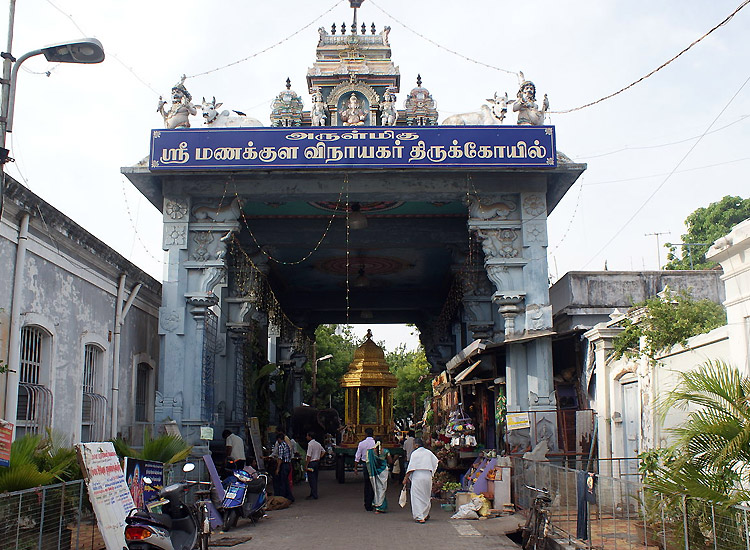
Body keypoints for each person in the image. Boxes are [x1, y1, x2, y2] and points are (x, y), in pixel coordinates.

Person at [403, 438, 438, 523]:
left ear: (416, 445)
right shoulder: (429, 453)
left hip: (418, 476)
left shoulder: (415, 454)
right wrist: (432, 472)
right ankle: (425, 514)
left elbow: (411, 468)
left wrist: (405, 478)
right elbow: (436, 462)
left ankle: (420, 516)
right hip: (427, 476)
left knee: (417, 496)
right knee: (426, 496)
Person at [353, 427, 376, 511]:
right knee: (374, 484)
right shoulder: (376, 443)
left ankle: (367, 504)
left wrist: (355, 468)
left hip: (366, 464)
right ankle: (374, 502)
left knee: (367, 484)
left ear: (365, 434)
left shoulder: (362, 443)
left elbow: (357, 457)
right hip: (374, 465)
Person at [367, 439, 392, 513]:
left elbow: (368, 462)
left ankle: (377, 504)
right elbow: (390, 461)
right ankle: (380, 506)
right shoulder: (386, 451)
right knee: (382, 488)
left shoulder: (370, 452)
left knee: (376, 488)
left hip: (374, 472)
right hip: (383, 471)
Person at [273, 432, 295, 502]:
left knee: (282, 482)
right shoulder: (287, 445)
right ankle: (289, 497)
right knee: (286, 482)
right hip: (288, 464)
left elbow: (280, 458)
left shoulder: (281, 446)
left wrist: (277, 469)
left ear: (279, 439)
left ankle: (282, 498)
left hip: (284, 465)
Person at [305, 432, 325, 500]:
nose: (306, 437)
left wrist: (306, 465)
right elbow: (324, 451)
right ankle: (313, 493)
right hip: (316, 462)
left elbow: (308, 456)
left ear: (310, 437)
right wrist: (319, 457)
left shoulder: (310, 444)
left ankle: (314, 494)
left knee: (311, 479)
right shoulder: (318, 444)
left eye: (307, 436)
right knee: (315, 478)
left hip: (311, 463)